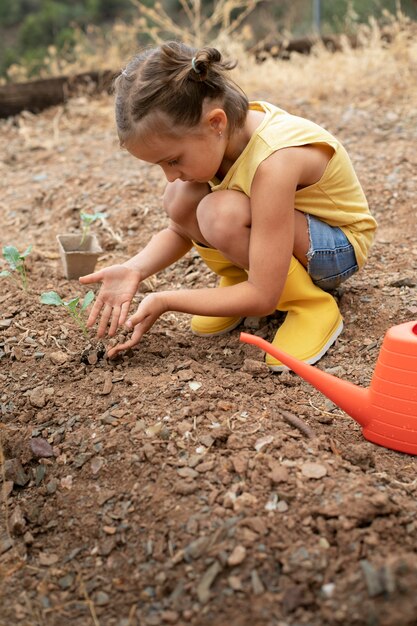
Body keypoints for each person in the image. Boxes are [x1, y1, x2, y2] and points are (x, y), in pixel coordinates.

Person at [80, 41, 377, 371]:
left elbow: (263, 295)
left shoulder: (274, 161)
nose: (169, 174)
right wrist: (135, 268)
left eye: (173, 160)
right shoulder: (220, 140)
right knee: (180, 198)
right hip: (289, 237)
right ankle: (238, 282)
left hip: (334, 250)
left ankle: (310, 304)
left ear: (216, 123)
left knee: (220, 213)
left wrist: (166, 300)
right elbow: (179, 231)